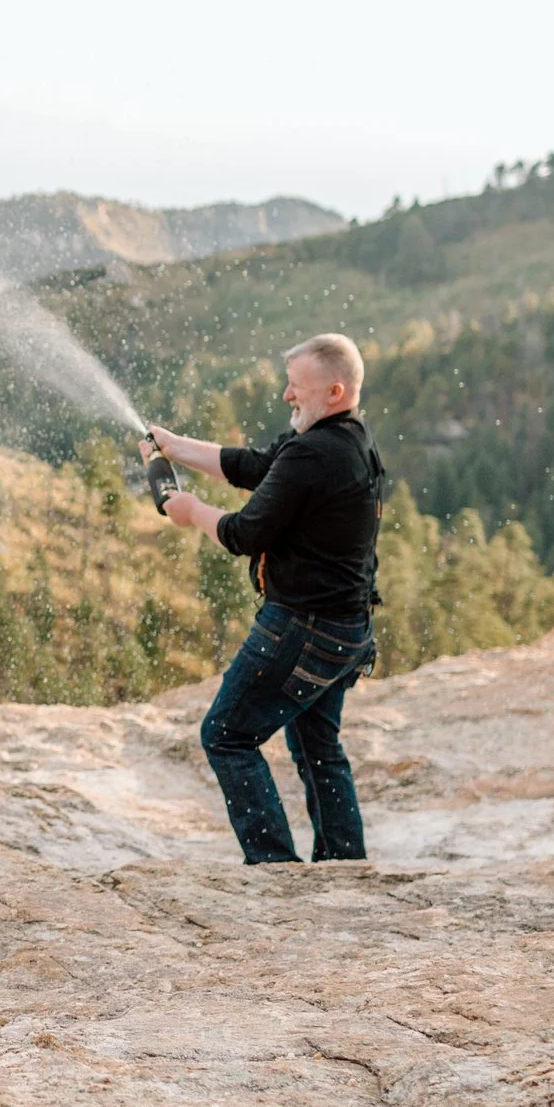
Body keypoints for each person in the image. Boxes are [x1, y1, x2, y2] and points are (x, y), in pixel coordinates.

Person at [144, 333, 386, 866]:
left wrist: (190, 511)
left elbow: (243, 534)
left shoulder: (313, 452)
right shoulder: (347, 439)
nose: (285, 395)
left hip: (303, 628)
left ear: (334, 390)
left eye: (297, 387)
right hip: (348, 629)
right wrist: (174, 445)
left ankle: (274, 868)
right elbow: (257, 466)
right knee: (318, 749)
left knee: (226, 735)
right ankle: (345, 866)